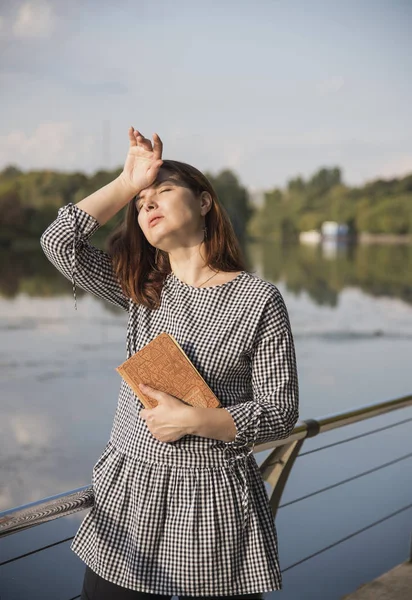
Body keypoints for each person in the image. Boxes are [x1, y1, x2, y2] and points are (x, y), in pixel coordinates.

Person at [40, 127, 299, 600]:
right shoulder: (143, 289)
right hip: (130, 500)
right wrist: (127, 181)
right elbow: (60, 243)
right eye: (141, 205)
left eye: (163, 191)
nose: (148, 204)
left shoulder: (257, 298)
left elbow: (280, 410)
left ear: (203, 203)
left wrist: (195, 420)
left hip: (214, 504)